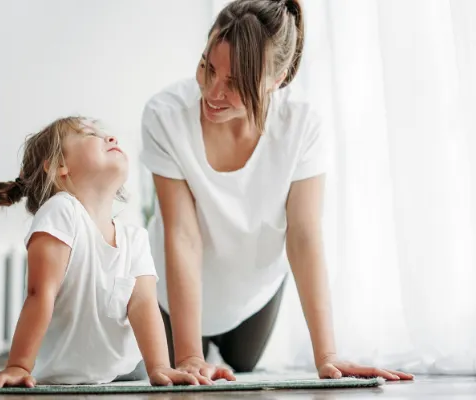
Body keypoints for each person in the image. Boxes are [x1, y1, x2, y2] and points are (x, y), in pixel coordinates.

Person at [140, 0, 414, 383]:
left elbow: (303, 235)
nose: (212, 91)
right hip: (172, 298)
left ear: (279, 77)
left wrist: (327, 355)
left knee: (245, 371)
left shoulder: (302, 125)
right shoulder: (165, 115)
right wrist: (188, 355)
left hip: (255, 294)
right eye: (207, 66)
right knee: (180, 378)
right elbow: (182, 235)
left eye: (235, 82)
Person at [0, 117, 200, 387]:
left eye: (106, 133)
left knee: (141, 367)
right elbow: (39, 293)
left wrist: (160, 367)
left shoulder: (135, 237)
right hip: (61, 373)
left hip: (122, 370)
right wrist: (18, 365)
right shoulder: (61, 211)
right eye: (91, 134)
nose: (110, 138)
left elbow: (144, 304)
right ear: (59, 166)